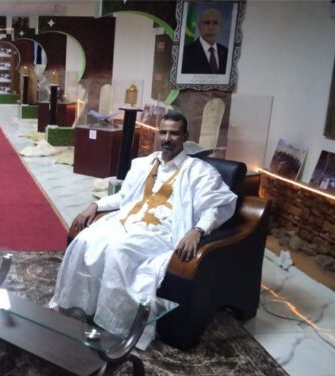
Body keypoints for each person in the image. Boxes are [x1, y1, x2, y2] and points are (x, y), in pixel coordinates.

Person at [49, 111, 237, 349]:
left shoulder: (200, 171)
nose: (167, 138)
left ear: (185, 136)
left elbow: (217, 206)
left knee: (118, 251)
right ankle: (77, 307)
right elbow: (124, 197)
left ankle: (113, 326)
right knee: (85, 240)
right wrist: (95, 205)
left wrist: (198, 230)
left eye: (174, 133)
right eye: (163, 132)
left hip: (163, 230)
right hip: (128, 219)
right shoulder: (144, 164)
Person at [181, 8, 229, 74]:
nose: (211, 28)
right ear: (199, 26)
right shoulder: (185, 52)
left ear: (220, 27)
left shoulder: (226, 52)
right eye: (207, 22)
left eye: (215, 23)